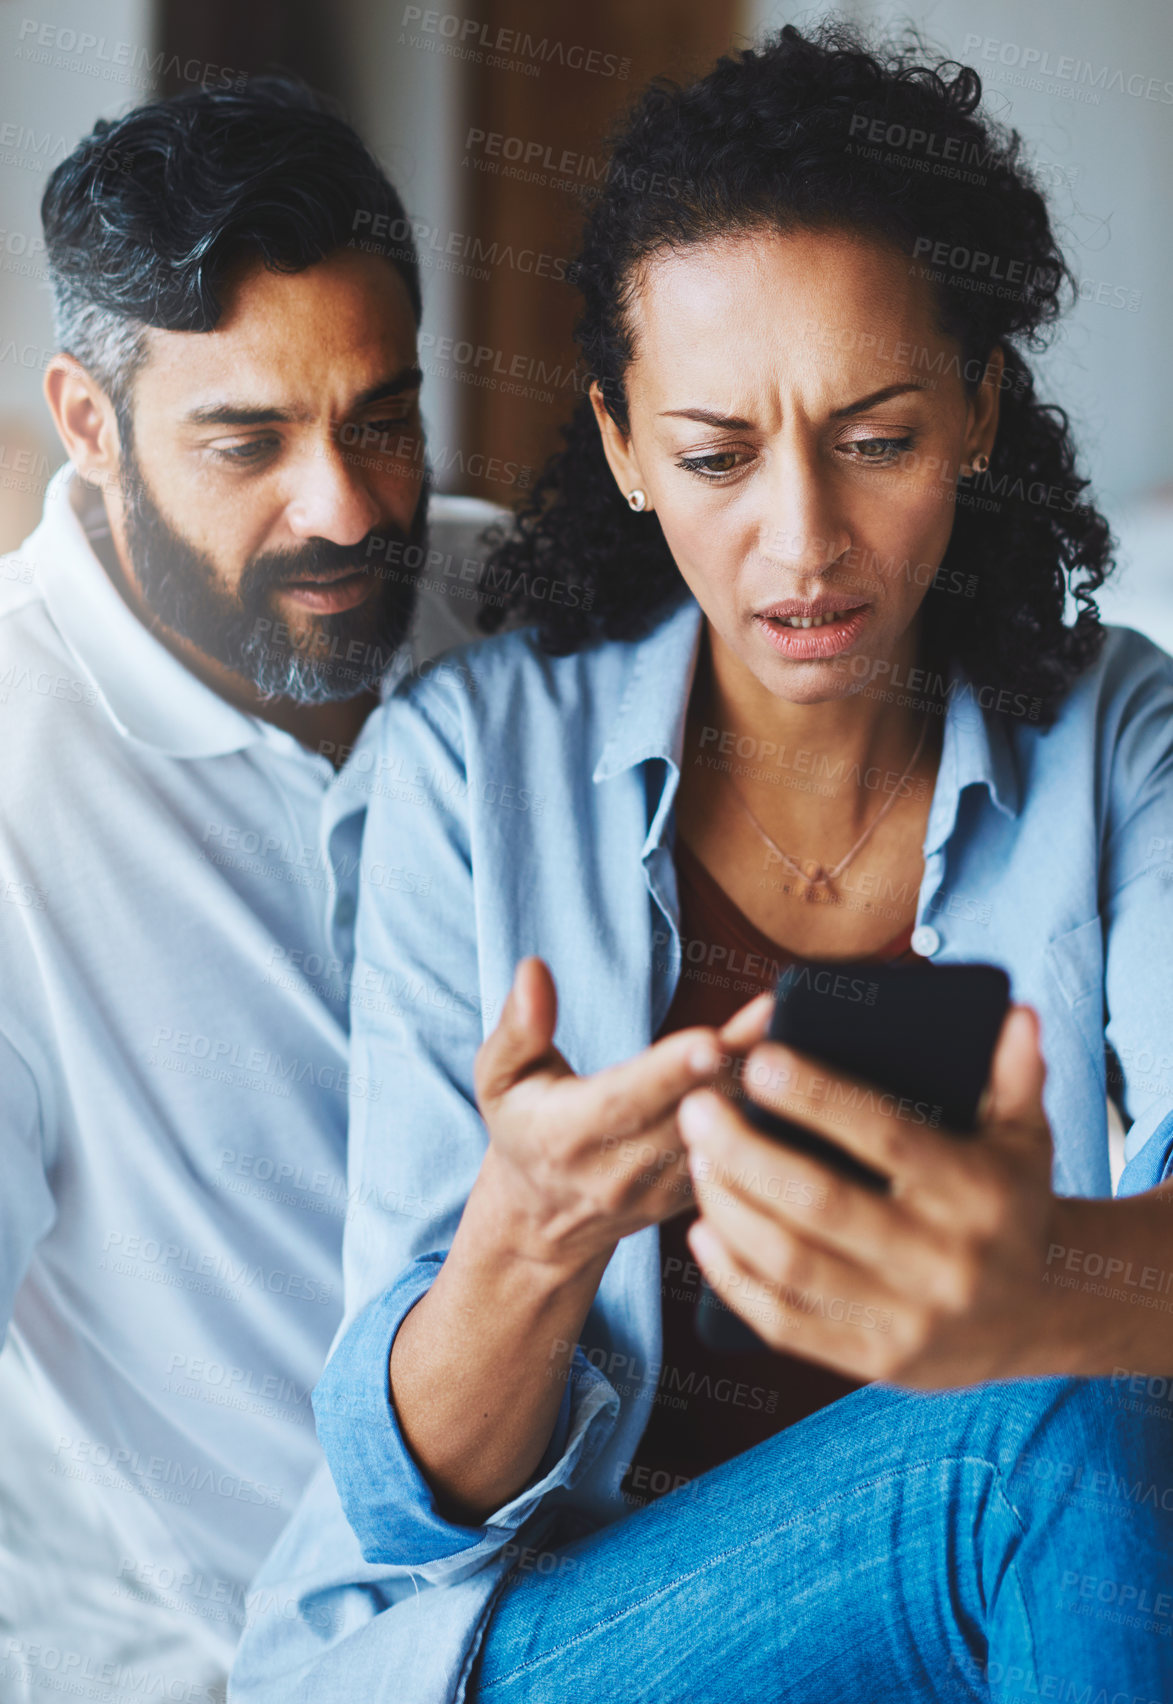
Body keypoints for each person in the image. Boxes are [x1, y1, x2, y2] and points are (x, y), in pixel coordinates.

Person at [230, 24, 1173, 1704]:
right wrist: (535, 1222)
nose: (798, 540)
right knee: (1041, 1428)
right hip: (555, 1637)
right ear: (616, 443)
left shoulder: (1117, 743)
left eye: (875, 438)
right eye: (716, 456)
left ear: (975, 404)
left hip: (1015, 1612)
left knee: (1084, 1401)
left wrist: (1058, 1284)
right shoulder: (473, 766)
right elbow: (405, 1500)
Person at [0, 76, 431, 1704]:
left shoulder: (511, 607)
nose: (344, 510)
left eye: (380, 417)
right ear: (90, 423)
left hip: (684, 1517)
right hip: (353, 1647)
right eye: (246, 439)